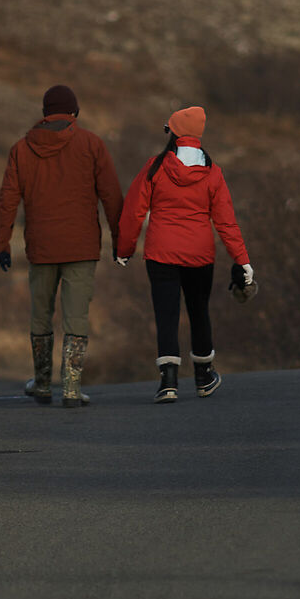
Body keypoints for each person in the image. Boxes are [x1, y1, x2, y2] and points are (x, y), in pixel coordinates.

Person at [0, 82, 123, 408]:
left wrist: (1, 243)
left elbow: (7, 200)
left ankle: (41, 383)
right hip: (81, 247)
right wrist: (123, 240)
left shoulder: (21, 149)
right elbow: (111, 195)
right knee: (76, 317)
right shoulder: (91, 144)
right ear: (75, 112)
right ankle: (72, 387)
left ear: (44, 114)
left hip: (41, 247)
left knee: (41, 315)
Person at [114, 105, 256, 403]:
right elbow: (226, 222)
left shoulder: (155, 167)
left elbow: (133, 212)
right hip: (199, 255)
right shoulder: (213, 172)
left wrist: (124, 249)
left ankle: (168, 382)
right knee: (198, 312)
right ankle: (204, 377)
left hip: (161, 253)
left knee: (166, 315)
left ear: (173, 133)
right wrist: (242, 260)